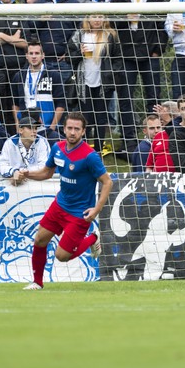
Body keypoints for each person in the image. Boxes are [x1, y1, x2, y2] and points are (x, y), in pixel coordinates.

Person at [21, 112, 113, 290]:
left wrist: (96, 210)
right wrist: (27, 174)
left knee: (61, 256)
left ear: (83, 132)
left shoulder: (90, 156)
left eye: (76, 129)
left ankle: (93, 238)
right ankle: (37, 283)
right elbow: (46, 173)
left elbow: (107, 182)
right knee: (39, 240)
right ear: (64, 129)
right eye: (69, 128)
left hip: (79, 213)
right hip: (60, 205)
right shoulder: (57, 148)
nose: (72, 132)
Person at [112, 0, 168, 139]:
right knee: (125, 98)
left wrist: (157, 50)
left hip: (149, 53)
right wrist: (125, 18)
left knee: (153, 98)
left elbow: (162, 25)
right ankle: (128, 141)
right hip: (126, 53)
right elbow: (112, 22)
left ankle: (156, 138)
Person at [69, 15, 116, 153]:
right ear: (88, 18)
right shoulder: (79, 35)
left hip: (103, 83)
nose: (97, 19)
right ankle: (83, 149)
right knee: (86, 117)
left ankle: (99, 150)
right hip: (84, 83)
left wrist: (112, 75)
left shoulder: (110, 35)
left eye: (100, 16)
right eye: (94, 16)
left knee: (101, 118)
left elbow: (117, 58)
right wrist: (80, 52)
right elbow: (69, 57)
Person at [11, 42, 66, 140]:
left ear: (43, 55)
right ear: (26, 56)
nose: (34, 56)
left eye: (37, 53)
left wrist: (52, 128)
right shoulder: (19, 76)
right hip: (26, 127)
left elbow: (61, 104)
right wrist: (17, 125)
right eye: (31, 53)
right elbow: (15, 104)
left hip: (47, 128)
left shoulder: (54, 75)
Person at [0, 116, 51, 184]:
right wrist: (14, 172)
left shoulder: (42, 142)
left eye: (35, 128)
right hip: (14, 184)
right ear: (20, 130)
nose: (34, 131)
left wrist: (23, 173)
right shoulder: (9, 143)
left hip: (37, 183)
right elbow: (0, 166)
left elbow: (45, 167)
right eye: (30, 128)